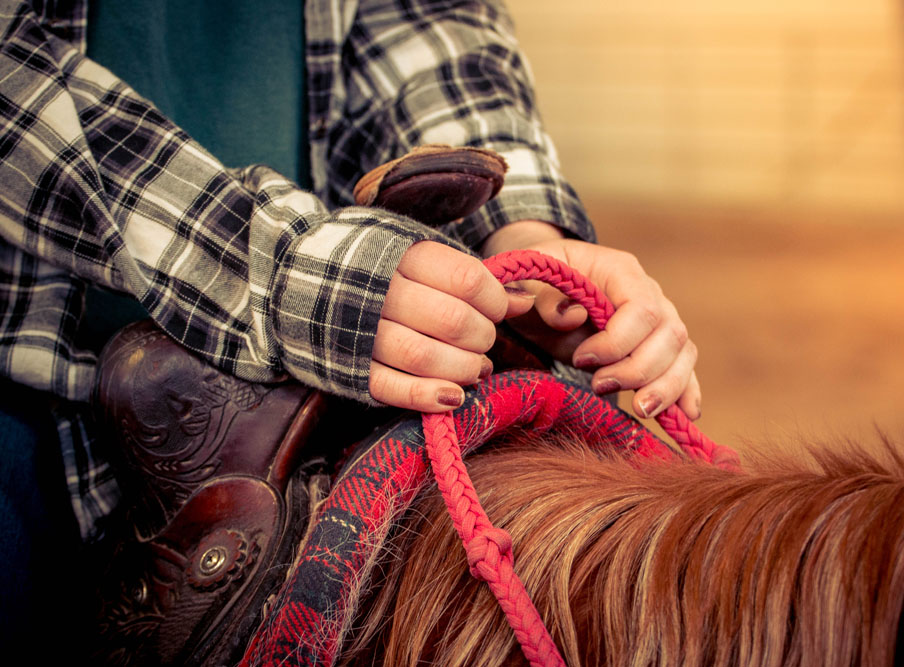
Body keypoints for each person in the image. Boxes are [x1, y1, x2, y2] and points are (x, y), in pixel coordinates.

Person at [0, 0, 700, 650]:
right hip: (32, 411)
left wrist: (524, 238)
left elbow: (420, 19)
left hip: (340, 362)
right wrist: (280, 264)